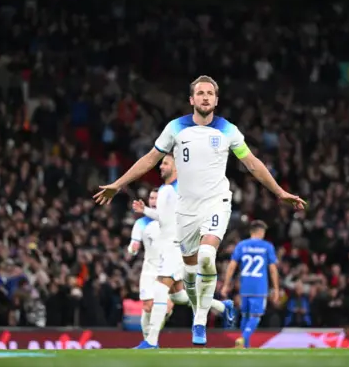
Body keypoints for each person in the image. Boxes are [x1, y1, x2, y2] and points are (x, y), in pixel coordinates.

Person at [94, 75, 305, 346]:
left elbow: (252, 163)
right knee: (191, 277)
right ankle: (214, 307)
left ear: (216, 100)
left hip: (217, 201)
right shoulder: (175, 128)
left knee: (207, 255)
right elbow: (149, 159)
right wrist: (118, 184)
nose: (205, 97)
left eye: (210, 93)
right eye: (200, 93)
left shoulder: (228, 130)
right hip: (186, 210)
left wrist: (280, 193)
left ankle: (200, 321)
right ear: (191, 99)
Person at [131, 154, 234, 349]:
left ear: (177, 167)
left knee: (161, 289)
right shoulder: (163, 190)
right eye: (161, 163)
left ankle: (151, 341)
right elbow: (163, 218)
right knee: (178, 296)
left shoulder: (183, 188)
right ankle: (222, 306)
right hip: (166, 248)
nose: (161, 166)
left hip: (179, 246)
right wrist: (145, 211)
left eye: (166, 163)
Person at [222, 220, 279, 348]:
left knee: (245, 316)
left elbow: (231, 266)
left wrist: (226, 284)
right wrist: (276, 288)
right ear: (261, 232)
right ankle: (243, 338)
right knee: (256, 317)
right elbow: (273, 269)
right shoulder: (267, 246)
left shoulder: (242, 245)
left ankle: (244, 346)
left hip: (245, 287)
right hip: (259, 288)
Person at [127, 188, 173, 340]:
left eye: (156, 198)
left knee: (167, 308)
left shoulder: (170, 220)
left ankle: (152, 337)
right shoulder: (141, 223)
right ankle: (148, 340)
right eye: (151, 198)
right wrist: (133, 249)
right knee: (147, 307)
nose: (153, 201)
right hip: (149, 270)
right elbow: (133, 244)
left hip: (167, 270)